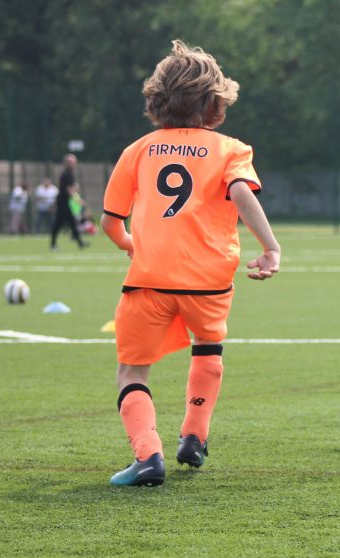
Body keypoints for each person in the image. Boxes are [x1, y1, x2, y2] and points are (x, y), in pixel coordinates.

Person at [101, 40, 281, 486]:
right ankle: (194, 438)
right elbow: (241, 194)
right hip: (210, 280)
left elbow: (110, 221)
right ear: (216, 103)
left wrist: (129, 244)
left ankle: (148, 456)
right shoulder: (231, 149)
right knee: (208, 345)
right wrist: (270, 246)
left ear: (157, 100)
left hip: (149, 278)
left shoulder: (137, 150)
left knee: (132, 370)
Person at [50, 154, 87, 249]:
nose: (73, 163)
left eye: (74, 161)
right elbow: (68, 189)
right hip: (63, 202)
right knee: (61, 223)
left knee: (69, 222)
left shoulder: (69, 173)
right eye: (71, 162)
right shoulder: (67, 174)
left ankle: (80, 243)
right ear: (66, 163)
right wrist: (78, 200)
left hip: (65, 202)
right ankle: (53, 244)